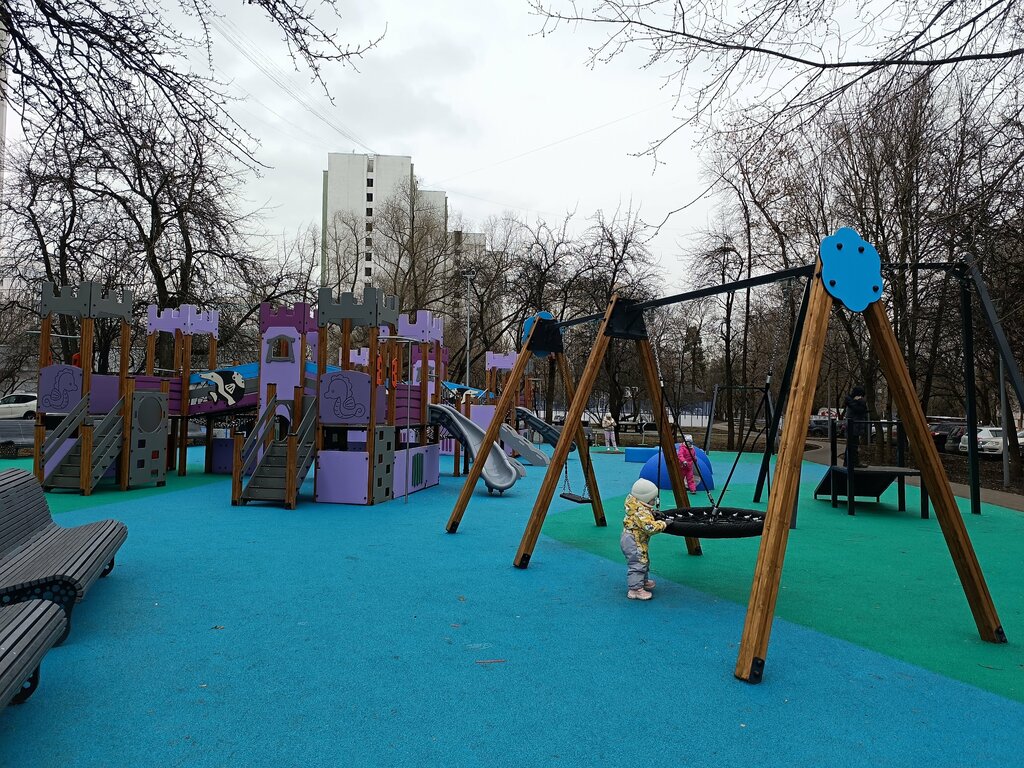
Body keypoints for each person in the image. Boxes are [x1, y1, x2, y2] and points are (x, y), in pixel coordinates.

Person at [620, 478, 667, 601]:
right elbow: (650, 527)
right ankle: (635, 589)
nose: (654, 501)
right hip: (634, 541)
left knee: (643, 560)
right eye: (652, 499)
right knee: (638, 563)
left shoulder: (636, 504)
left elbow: (645, 514)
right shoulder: (640, 513)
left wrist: (653, 514)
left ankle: (642, 581)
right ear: (645, 499)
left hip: (633, 539)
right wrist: (663, 524)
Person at [844, 386, 869, 468]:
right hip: (853, 427)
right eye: (861, 396)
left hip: (853, 427)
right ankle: (854, 463)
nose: (862, 398)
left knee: (851, 446)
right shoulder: (854, 403)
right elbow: (860, 410)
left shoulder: (851, 402)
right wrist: (861, 401)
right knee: (853, 446)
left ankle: (847, 463)